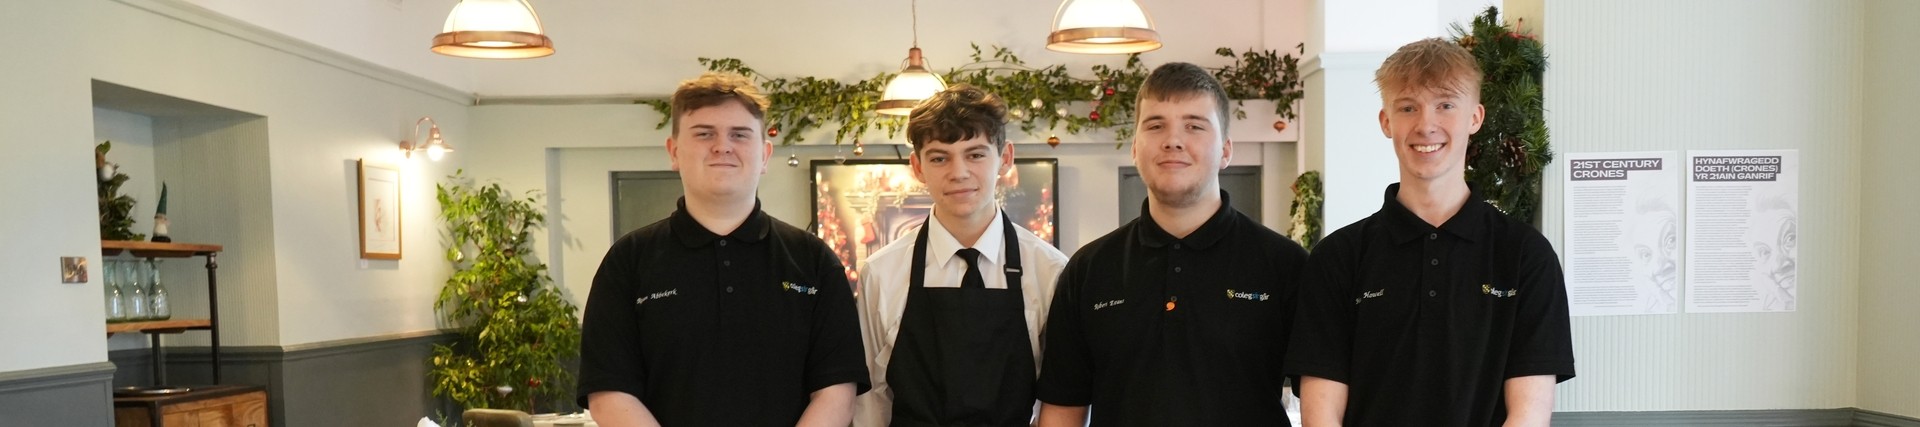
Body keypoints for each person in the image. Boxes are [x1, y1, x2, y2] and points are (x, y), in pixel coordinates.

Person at [1284, 38, 1576, 427]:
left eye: (1446, 105)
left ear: (1475, 117)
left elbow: (1529, 412)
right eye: (1408, 107)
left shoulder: (1524, 254)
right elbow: (1321, 413)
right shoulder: (1339, 256)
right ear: (1386, 121)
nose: (1426, 125)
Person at [577, 72, 868, 427]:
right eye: (704, 133)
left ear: (764, 155)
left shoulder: (814, 260)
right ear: (674, 152)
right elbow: (609, 391)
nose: (722, 146)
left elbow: (837, 390)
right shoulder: (628, 260)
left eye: (739, 134)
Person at [1035, 62, 1310, 426]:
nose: (1173, 140)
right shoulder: (1089, 269)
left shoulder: (1285, 264)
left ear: (1227, 150)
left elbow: (1323, 400)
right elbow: (1063, 408)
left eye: (1194, 126)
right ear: (1135, 148)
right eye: (1155, 125)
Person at [852, 84, 1070, 426]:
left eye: (976, 154)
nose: (959, 172)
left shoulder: (1051, 270)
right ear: (918, 167)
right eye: (939, 157)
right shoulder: (881, 272)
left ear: (1006, 158)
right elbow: (870, 402)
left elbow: (1061, 400)